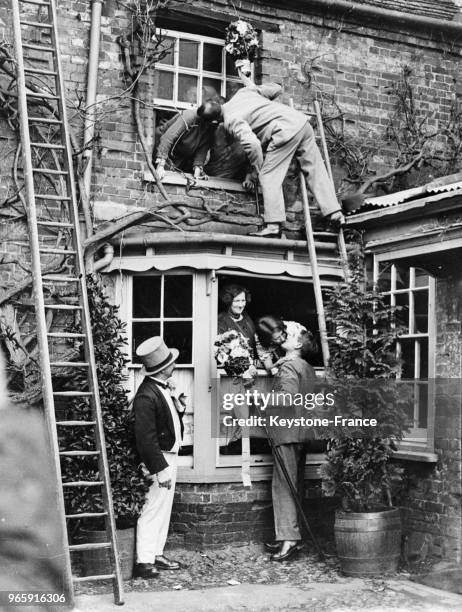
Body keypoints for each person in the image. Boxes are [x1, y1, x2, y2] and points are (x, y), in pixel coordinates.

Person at [214, 70, 345, 237]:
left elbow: (253, 145)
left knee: (268, 176)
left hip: (284, 131)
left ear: (215, 119)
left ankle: (273, 226)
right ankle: (335, 214)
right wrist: (255, 89)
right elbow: (277, 88)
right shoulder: (243, 93)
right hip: (301, 123)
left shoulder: (230, 120)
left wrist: (258, 169)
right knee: (315, 169)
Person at [259, 322, 319, 561]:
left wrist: (259, 398)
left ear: (297, 345)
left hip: (286, 433)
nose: (284, 336)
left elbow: (287, 398)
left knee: (284, 486)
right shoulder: (305, 366)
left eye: (290, 335)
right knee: (294, 484)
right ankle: (289, 536)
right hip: (301, 432)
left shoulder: (289, 367)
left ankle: (289, 539)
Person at [133, 336, 186, 578]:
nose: (174, 364)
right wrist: (159, 468)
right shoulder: (146, 395)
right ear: (163, 368)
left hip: (168, 456)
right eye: (171, 362)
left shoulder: (160, 389)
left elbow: (166, 423)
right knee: (153, 507)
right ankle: (143, 561)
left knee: (163, 508)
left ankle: (156, 552)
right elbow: (146, 438)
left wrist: (179, 406)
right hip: (160, 458)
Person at [154, 100, 222, 181]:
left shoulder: (210, 126)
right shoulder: (189, 116)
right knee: (163, 178)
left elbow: (203, 147)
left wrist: (197, 168)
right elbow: (168, 138)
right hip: (163, 149)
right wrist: (160, 165)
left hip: (179, 157)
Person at [217, 283, 257, 358]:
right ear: (228, 301)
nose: (241, 305)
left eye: (243, 300)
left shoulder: (246, 317)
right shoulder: (221, 321)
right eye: (237, 301)